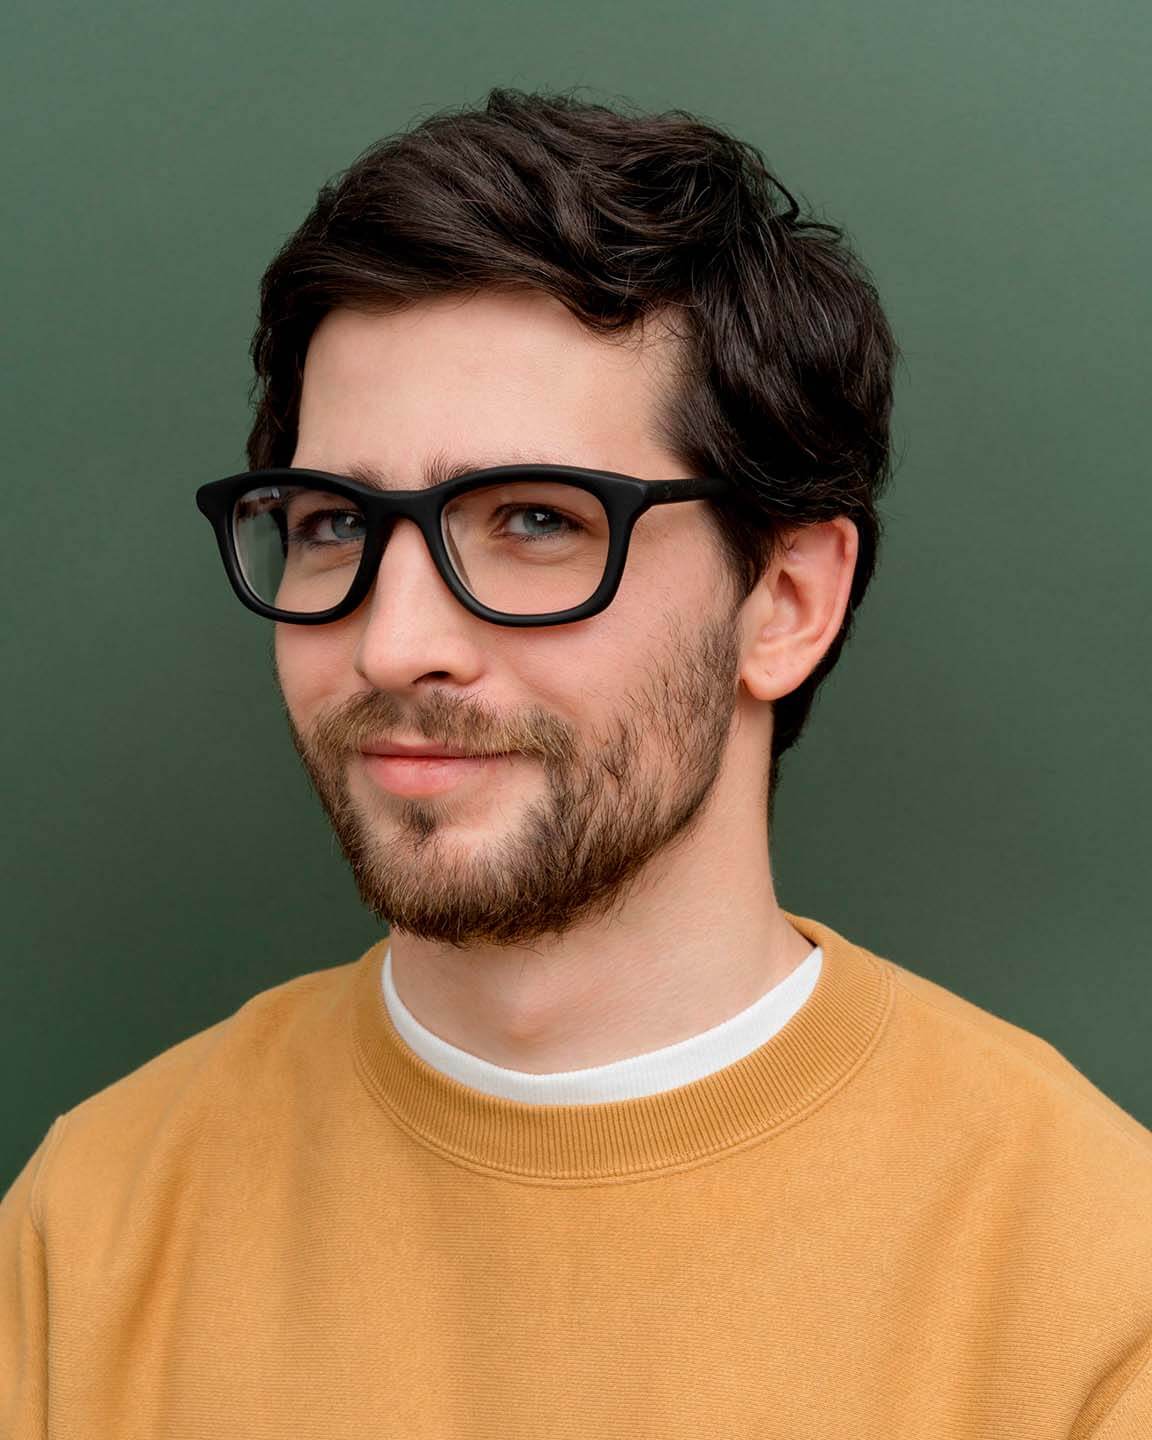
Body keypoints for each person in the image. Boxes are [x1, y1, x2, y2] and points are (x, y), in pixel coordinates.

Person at [2, 87, 1150, 1439]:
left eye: (536, 519)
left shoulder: (1094, 1281)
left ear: (783, 601)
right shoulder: (88, 1226)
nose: (395, 642)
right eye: (329, 523)